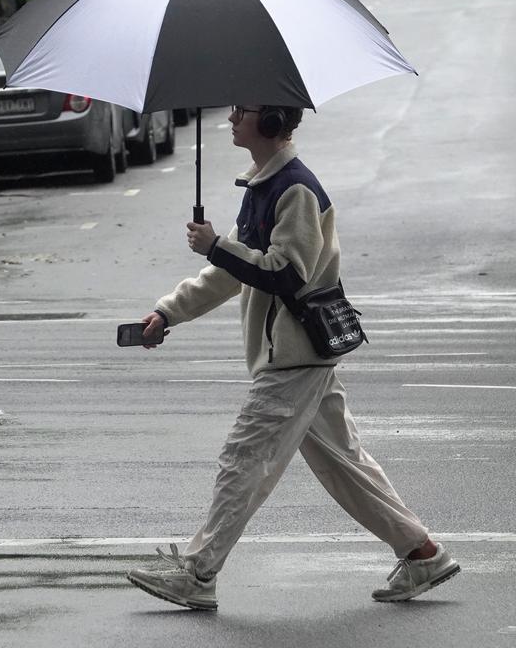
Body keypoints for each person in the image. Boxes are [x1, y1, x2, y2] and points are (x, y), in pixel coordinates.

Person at [126, 104, 460, 611]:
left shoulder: (296, 190)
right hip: (299, 356)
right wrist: (168, 312)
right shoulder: (263, 187)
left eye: (245, 110)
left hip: (292, 358)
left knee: (243, 460)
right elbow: (233, 272)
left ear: (273, 120)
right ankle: (422, 553)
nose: (234, 117)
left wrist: (216, 245)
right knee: (346, 466)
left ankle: (198, 572)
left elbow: (287, 273)